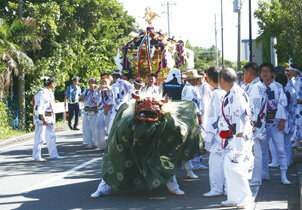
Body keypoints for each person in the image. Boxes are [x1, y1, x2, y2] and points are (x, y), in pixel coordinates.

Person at [218, 68, 254, 208]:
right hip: (231, 136)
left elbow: (241, 117)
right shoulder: (230, 93)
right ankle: (233, 197)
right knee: (228, 168)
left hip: (238, 136)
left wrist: (239, 136)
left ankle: (246, 195)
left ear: (223, 80)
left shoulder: (237, 94)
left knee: (236, 167)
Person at [259, 62, 290, 184]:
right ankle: (264, 172)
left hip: (276, 122)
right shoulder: (257, 87)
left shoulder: (278, 87)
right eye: (262, 71)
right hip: (262, 123)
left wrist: (282, 120)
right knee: (263, 150)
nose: (264, 73)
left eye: (267, 71)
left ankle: (284, 174)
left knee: (280, 149)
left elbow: (282, 104)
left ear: (272, 74)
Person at [202, 66, 226, 197]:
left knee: (215, 162)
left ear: (209, 79)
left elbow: (213, 116)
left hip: (218, 133)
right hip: (227, 132)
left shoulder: (216, 93)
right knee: (226, 163)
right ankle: (227, 188)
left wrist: (208, 136)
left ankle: (217, 188)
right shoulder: (226, 91)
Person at [242, 62, 267, 187]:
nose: (244, 75)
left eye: (245, 72)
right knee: (254, 152)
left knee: (256, 152)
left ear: (251, 72)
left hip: (254, 124)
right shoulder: (253, 85)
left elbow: (255, 108)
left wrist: (250, 125)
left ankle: (256, 179)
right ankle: (256, 177)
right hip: (254, 124)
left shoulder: (256, 86)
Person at [32, 76, 64, 162]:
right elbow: (39, 107)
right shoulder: (41, 93)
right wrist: (43, 118)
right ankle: (36, 155)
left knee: (51, 137)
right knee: (40, 137)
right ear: (50, 83)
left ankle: (54, 154)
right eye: (53, 82)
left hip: (49, 117)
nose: (54, 84)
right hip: (42, 117)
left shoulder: (49, 92)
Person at [181, 69, 203, 179]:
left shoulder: (191, 88)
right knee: (189, 145)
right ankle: (189, 169)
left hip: (192, 117)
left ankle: (189, 169)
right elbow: (190, 105)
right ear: (193, 79)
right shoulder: (189, 89)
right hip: (191, 118)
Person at [93, 76, 112, 151]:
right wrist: (99, 88)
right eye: (102, 82)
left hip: (109, 111)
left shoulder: (112, 89)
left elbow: (113, 97)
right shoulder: (98, 91)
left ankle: (110, 146)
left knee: (109, 129)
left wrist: (107, 87)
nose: (103, 84)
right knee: (98, 128)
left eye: (105, 82)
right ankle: (102, 146)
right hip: (100, 111)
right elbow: (95, 96)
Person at [80, 78, 99, 149]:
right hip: (86, 111)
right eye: (90, 83)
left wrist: (94, 89)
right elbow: (81, 98)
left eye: (93, 82)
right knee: (86, 128)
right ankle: (89, 143)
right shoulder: (86, 90)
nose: (91, 84)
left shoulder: (98, 90)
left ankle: (96, 143)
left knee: (94, 128)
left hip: (94, 111)